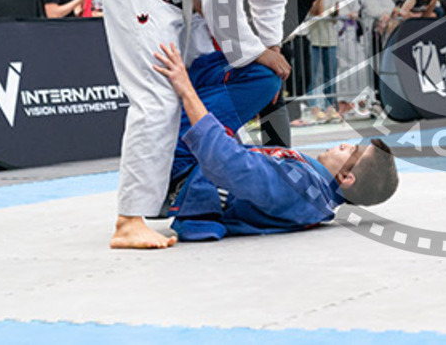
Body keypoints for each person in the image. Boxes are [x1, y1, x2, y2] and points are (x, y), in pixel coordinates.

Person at [103, 0, 360, 250]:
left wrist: (271, 49)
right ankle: (128, 220)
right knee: (159, 96)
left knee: (249, 76)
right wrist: (256, 52)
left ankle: (177, 171)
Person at [151, 41, 397, 242]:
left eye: (349, 150)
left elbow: (230, 164)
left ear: (346, 178)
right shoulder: (313, 190)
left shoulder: (301, 188)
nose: (342, 144)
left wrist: (186, 90)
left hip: (185, 166)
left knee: (263, 79)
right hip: (198, 169)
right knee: (261, 76)